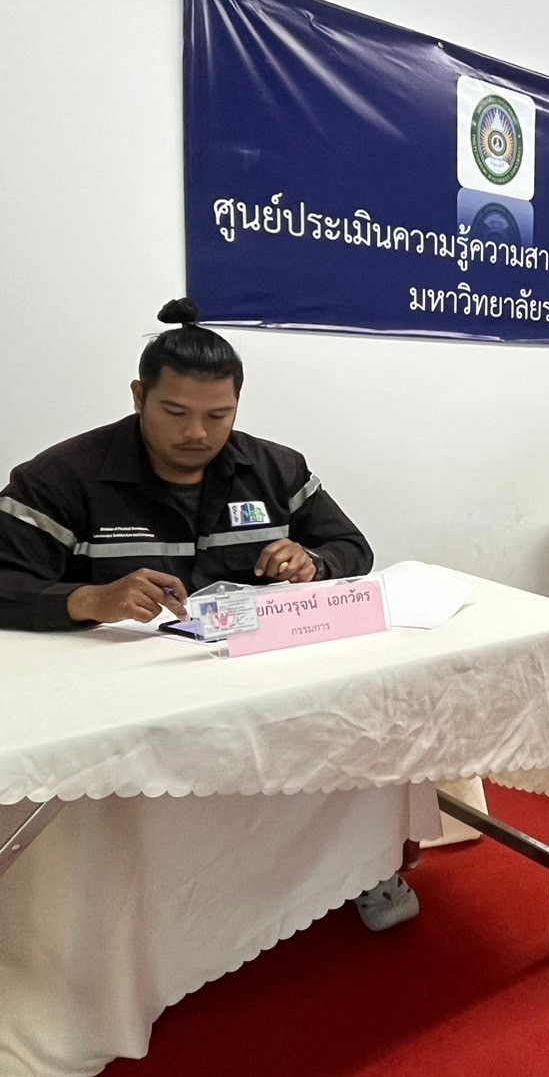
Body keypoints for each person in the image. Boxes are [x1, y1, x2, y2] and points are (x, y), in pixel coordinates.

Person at [0, 298, 414, 932]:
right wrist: (87, 599)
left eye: (218, 416)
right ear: (139, 397)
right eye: (175, 413)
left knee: (365, 704)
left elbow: (351, 547)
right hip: (125, 696)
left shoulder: (275, 469)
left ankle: (358, 863)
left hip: (261, 682)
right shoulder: (61, 477)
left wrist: (312, 562)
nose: (197, 433)